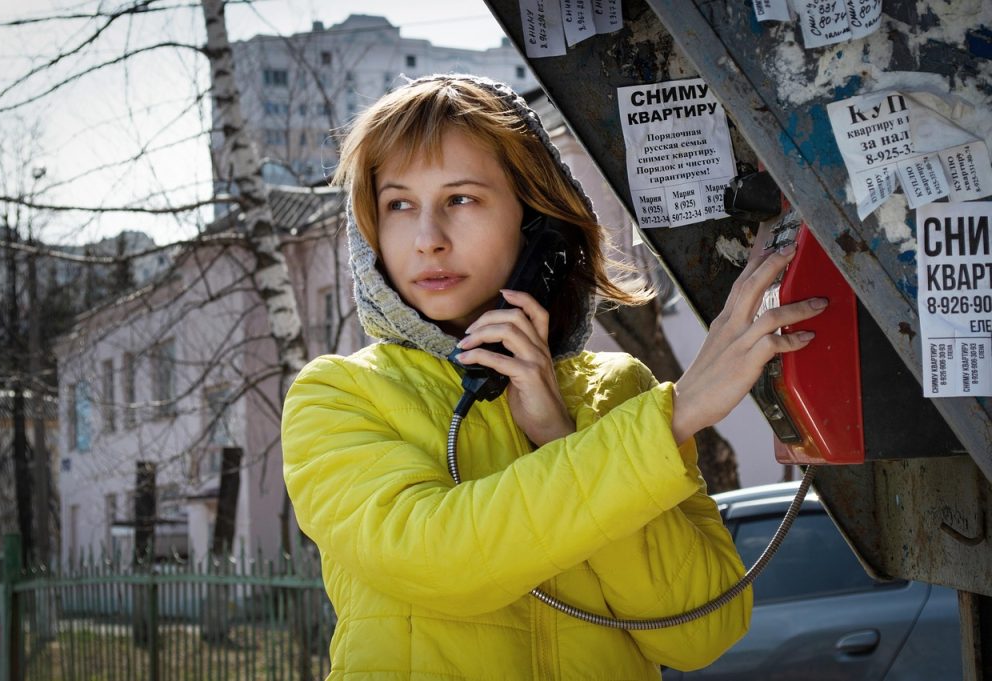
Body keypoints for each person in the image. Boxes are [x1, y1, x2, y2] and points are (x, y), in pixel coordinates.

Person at [281, 74, 827, 680]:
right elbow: (438, 559)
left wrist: (562, 436)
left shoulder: (620, 391)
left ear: (535, 221)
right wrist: (670, 419)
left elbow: (702, 632)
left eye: (460, 199)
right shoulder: (339, 396)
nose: (427, 240)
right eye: (399, 205)